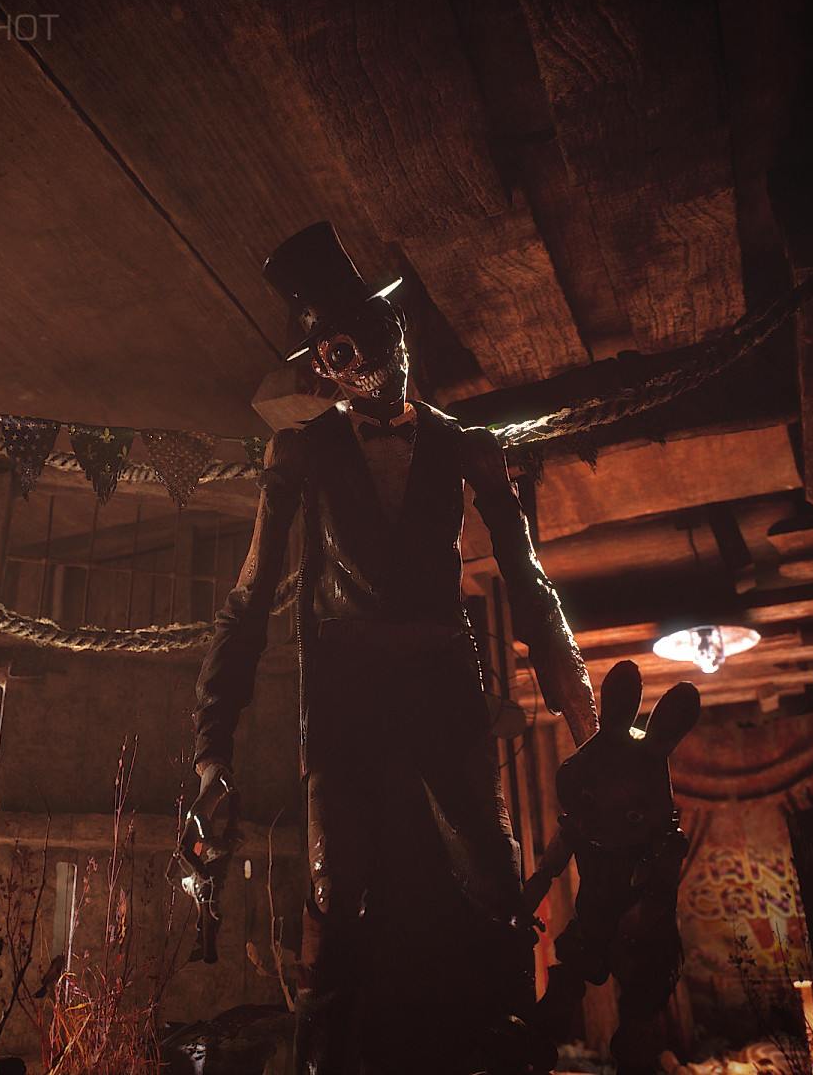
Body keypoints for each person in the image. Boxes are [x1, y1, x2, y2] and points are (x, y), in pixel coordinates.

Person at [182, 222, 599, 1074]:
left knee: (494, 878)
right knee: (336, 889)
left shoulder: (466, 446)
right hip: (349, 691)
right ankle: (323, 1057)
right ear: (323, 367)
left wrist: (577, 701)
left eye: (378, 328)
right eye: (341, 347)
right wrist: (209, 747)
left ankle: (505, 1048)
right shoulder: (301, 450)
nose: (372, 354)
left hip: (444, 680)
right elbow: (250, 597)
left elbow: (525, 574)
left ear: (398, 327)